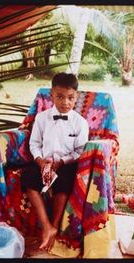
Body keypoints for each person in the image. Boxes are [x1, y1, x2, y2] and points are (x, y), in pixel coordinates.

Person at [21, 72, 89, 251]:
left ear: (76, 97)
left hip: (65, 164)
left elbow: (80, 151)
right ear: (51, 95)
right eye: (60, 97)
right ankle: (46, 226)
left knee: (65, 182)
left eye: (70, 98)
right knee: (28, 178)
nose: (65, 102)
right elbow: (34, 143)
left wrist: (62, 162)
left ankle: (55, 224)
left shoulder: (80, 123)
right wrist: (40, 161)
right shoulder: (41, 118)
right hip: (43, 162)